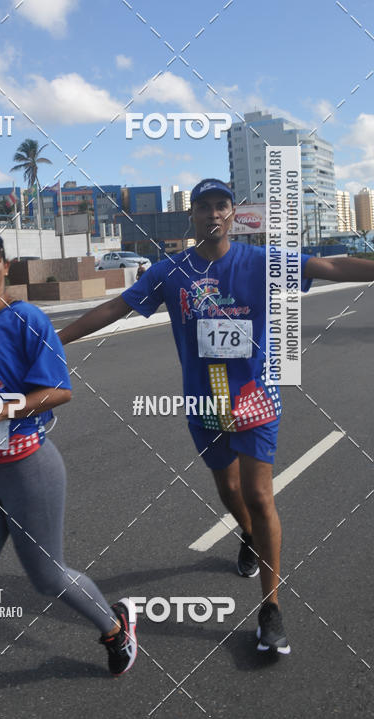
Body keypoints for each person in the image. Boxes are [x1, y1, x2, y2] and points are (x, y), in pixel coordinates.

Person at [58, 178, 374, 655]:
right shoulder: (171, 272)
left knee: (258, 494)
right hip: (204, 405)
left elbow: (328, 264)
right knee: (228, 492)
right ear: (192, 216)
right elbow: (112, 308)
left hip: (255, 399)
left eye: (221, 205)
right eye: (203, 206)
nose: (212, 214)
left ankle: (271, 608)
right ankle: (247, 535)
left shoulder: (259, 262)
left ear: (233, 214)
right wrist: (53, 342)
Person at [0, 226, 137, 719]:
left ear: (4, 262)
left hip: (31, 468)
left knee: (47, 579)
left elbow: (59, 390)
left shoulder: (28, 318)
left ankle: (115, 628)